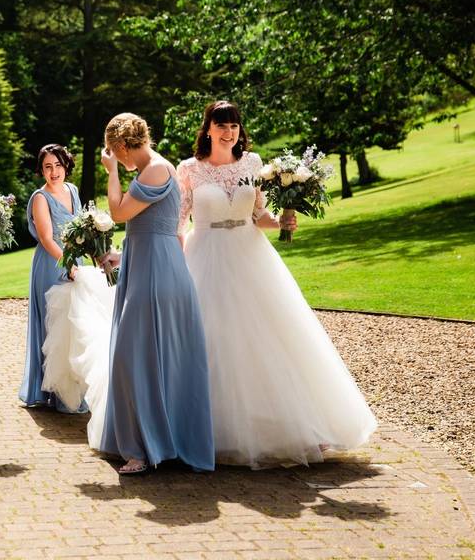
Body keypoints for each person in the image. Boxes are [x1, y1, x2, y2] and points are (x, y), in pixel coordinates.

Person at [178, 100, 377, 468]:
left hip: (249, 256)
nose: (229, 132)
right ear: (207, 129)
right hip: (203, 256)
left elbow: (259, 215)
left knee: (268, 339)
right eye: (222, 125)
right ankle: (207, 429)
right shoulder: (189, 169)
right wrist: (172, 263)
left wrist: (282, 222)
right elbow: (179, 222)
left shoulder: (253, 164)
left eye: (234, 125)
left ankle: (296, 427)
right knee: (211, 339)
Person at [97, 113, 215, 475]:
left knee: (137, 359)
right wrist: (121, 253)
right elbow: (143, 225)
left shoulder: (156, 170)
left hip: (158, 273)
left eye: (115, 151)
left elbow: (118, 212)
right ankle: (147, 443)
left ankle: (147, 448)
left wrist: (111, 171)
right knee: (142, 357)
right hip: (147, 263)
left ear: (120, 146)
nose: (117, 157)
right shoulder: (152, 169)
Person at [18, 144, 86, 412]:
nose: (54, 171)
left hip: (74, 261)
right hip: (51, 263)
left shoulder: (73, 190)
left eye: (58, 165)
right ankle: (52, 392)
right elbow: (46, 238)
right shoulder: (40, 198)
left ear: (66, 165)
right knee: (52, 326)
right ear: (41, 169)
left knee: (73, 324)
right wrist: (67, 263)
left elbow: (81, 228)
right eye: (48, 166)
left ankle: (72, 388)